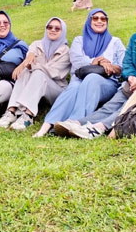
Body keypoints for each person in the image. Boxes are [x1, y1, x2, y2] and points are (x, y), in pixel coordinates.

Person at [54, 2, 136, 139]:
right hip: (132, 83)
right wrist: (132, 77)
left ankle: (98, 128)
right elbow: (127, 64)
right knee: (111, 106)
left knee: (128, 106)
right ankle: (77, 123)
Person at [33, 9, 125, 137]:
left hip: (106, 84)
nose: (99, 21)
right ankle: (47, 125)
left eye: (103, 19)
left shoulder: (115, 42)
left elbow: (123, 66)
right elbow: (76, 61)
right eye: (95, 18)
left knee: (92, 78)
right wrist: (96, 62)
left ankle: (75, 123)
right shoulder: (79, 40)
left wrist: (110, 67)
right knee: (74, 88)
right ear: (89, 20)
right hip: (79, 79)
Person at [0, 18, 71, 131]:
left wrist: (30, 64)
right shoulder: (37, 44)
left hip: (56, 90)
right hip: (36, 87)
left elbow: (55, 73)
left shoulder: (66, 51)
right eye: (49, 27)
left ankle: (28, 116)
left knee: (38, 73)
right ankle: (11, 111)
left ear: (62, 31)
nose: (53, 30)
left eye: (57, 28)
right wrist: (26, 63)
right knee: (25, 71)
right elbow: (30, 55)